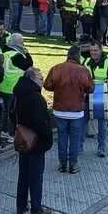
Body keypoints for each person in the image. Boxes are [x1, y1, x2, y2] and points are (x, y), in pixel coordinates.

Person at [44, 46, 92, 174]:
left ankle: (62, 164)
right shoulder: (83, 71)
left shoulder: (57, 68)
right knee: (75, 139)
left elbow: (47, 85)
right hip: (76, 111)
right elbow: (90, 88)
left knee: (62, 137)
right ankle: (73, 164)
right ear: (78, 56)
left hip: (60, 109)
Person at [13, 67, 53, 214]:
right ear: (32, 79)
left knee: (23, 174)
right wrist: (47, 137)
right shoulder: (35, 98)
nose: (42, 81)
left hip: (23, 140)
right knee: (36, 176)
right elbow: (41, 122)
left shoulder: (18, 92)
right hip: (35, 142)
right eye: (40, 78)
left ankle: (21, 205)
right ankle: (36, 208)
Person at [83, 42, 108, 157]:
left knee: (102, 125)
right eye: (91, 51)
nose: (93, 53)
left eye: (95, 50)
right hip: (88, 96)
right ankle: (79, 147)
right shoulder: (86, 62)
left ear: (101, 50)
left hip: (103, 97)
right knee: (82, 121)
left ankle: (101, 148)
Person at [0, 33, 33, 141]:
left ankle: (3, 130)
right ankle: (11, 134)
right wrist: (27, 53)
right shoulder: (16, 55)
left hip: (2, 86)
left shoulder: (4, 52)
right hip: (12, 87)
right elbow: (29, 64)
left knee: (4, 111)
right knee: (12, 113)